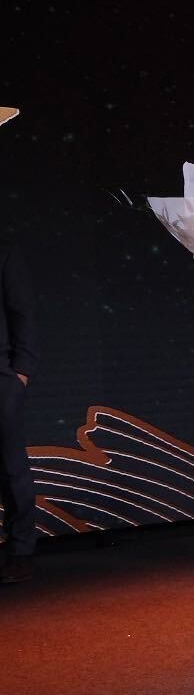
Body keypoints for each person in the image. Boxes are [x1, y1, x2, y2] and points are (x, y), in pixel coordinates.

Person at [0, 239, 38, 586]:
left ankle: (21, 551)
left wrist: (21, 371)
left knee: (11, 468)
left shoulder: (6, 249)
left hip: (2, 376)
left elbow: (22, 311)